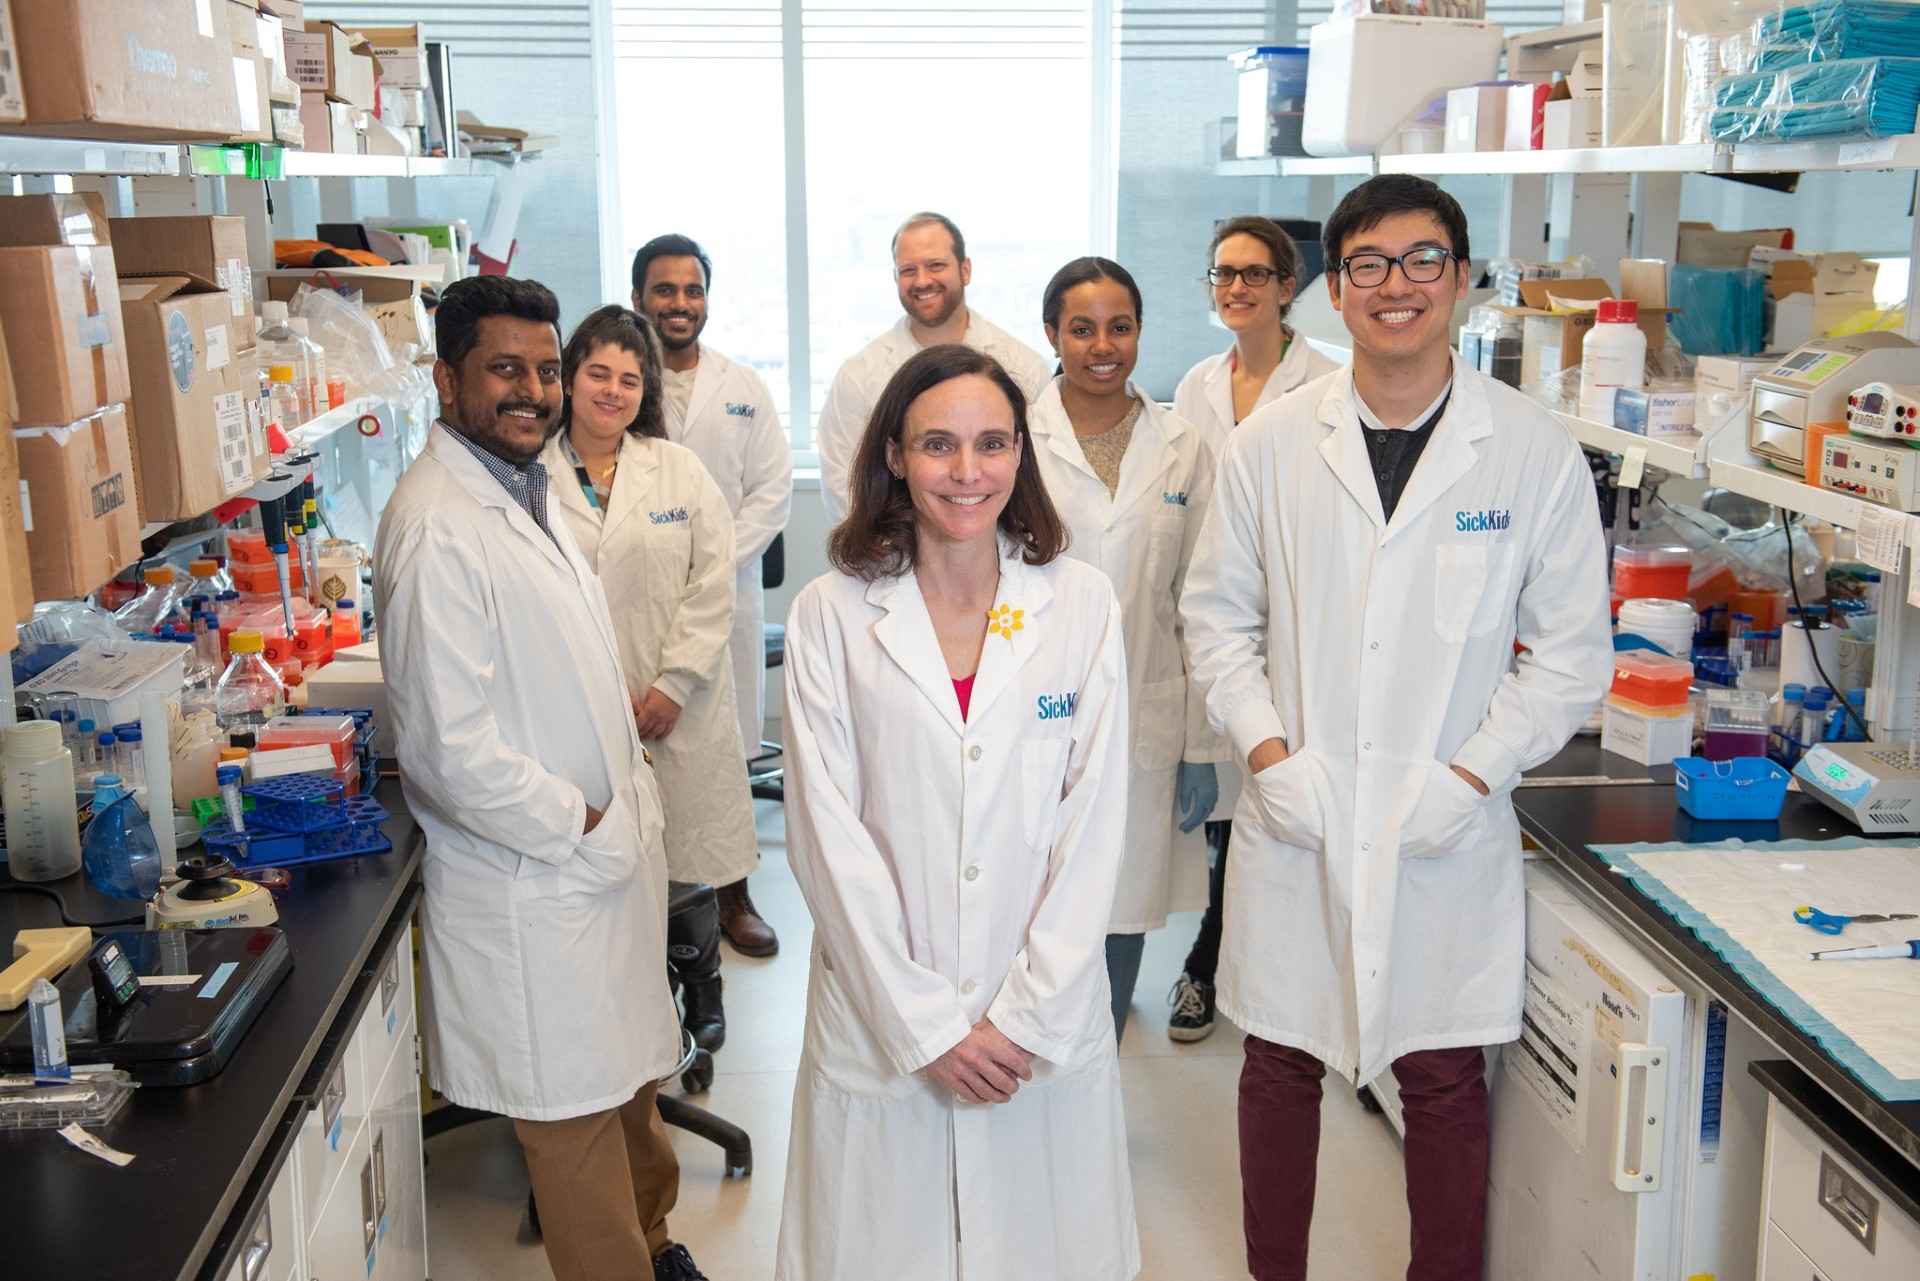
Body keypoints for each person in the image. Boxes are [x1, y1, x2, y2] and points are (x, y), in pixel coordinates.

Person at [1179, 174, 1612, 1281]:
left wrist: (1469, 778)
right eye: (1368, 263)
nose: (1398, 285)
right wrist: (1269, 754)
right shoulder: (1271, 447)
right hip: (1304, 800)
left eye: (1425, 260)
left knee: (1442, 1073)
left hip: (1443, 814)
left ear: (1462, 280)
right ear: (1333, 290)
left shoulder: (1529, 450)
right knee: (1279, 1058)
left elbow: (1570, 655)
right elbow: (1216, 620)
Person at [778, 344, 1139, 1280]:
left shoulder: (1077, 605)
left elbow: (1093, 824)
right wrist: (929, 1026)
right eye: (938, 444)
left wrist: (1024, 1017)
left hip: (1040, 1027)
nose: (968, 471)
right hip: (885, 1019)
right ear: (895, 454)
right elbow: (827, 839)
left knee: (1041, 1248)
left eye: (992, 443)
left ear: (1022, 452)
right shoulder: (834, 613)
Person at [375, 276, 708, 1281]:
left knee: (629, 1089)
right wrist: (583, 819)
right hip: (536, 877)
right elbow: (446, 749)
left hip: (593, 870)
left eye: (543, 368)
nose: (531, 389)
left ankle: (656, 1249)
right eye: (502, 369)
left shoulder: (526, 486)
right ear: (446, 379)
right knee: (570, 1126)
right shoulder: (438, 524)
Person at [540, 304, 757, 1054]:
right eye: (598, 372)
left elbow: (713, 581)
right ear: (568, 378)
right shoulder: (528, 477)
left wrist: (674, 683)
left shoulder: (677, 470)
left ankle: (701, 990)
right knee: (603, 869)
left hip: (676, 707)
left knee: (682, 858)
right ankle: (627, 1014)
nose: (612, 390)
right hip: (574, 711)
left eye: (630, 379)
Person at [1026, 256, 1220, 1041]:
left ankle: (1098, 1050)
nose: (1102, 345)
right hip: (1031, 710)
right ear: (1052, 335)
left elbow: (1201, 602)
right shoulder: (1015, 434)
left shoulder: (1182, 446)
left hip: (1146, 707)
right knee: (1033, 896)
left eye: (1120, 326)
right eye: (1082, 328)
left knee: (1124, 892)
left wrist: (1202, 740)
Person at [1167, 216, 1339, 1043]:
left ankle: (1239, 963)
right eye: (1222, 274)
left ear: (1287, 285)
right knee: (1226, 805)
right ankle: (1214, 953)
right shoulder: (1197, 383)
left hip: (1300, 619)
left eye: (1252, 274)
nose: (1235, 288)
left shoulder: (1329, 383)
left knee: (1281, 794)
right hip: (1216, 615)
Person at [631, 234, 793, 957]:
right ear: (639, 297)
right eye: (665, 290)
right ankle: (648, 902)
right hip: (637, 594)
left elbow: (773, 489)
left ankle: (734, 897)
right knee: (642, 743)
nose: (679, 303)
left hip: (726, 592)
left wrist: (714, 558)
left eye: (692, 290)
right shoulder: (617, 380)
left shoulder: (743, 387)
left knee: (722, 746)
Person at [816, 212, 1051, 522]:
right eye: (909, 270)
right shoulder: (858, 375)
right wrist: (895, 561)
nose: (923, 280)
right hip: (891, 560)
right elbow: (843, 486)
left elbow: (1038, 480)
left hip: (1000, 556)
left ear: (965, 270)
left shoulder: (1025, 367)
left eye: (936, 265)